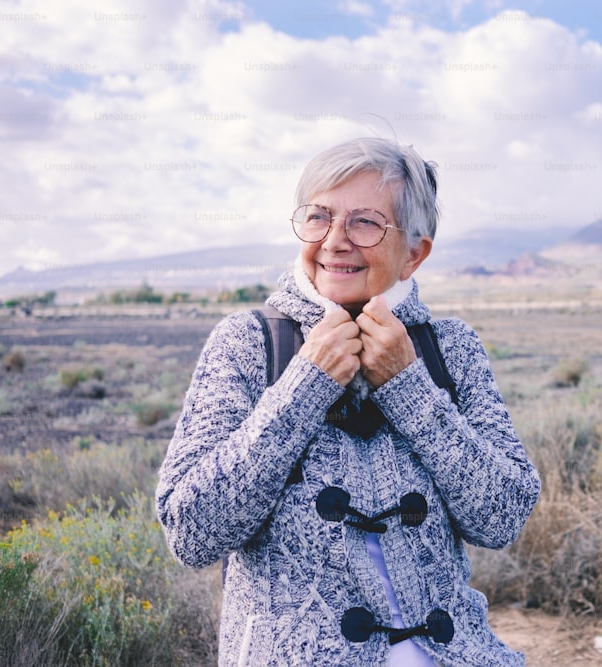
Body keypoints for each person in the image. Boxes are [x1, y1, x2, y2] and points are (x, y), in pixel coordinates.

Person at [156, 137, 541, 666]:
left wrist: (409, 387)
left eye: (364, 222)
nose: (335, 241)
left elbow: (503, 516)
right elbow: (191, 531)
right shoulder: (248, 343)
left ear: (414, 253)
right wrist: (304, 386)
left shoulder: (449, 347)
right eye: (318, 217)